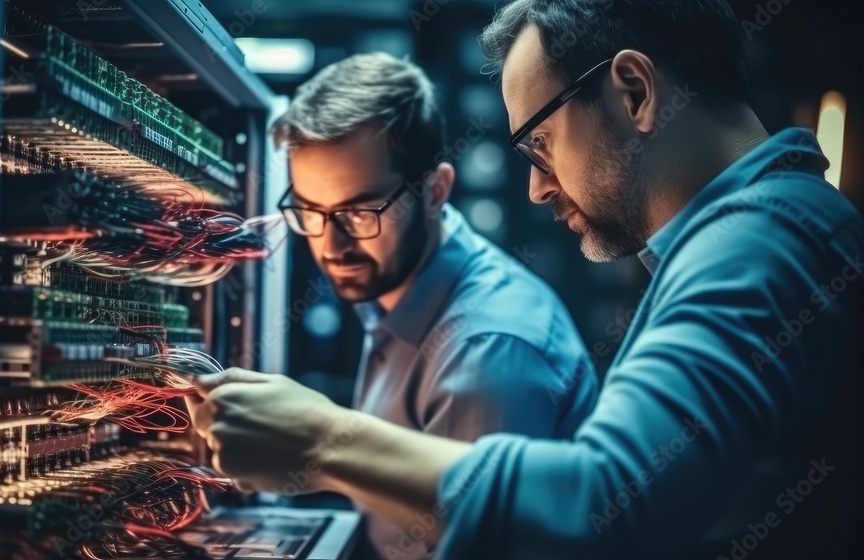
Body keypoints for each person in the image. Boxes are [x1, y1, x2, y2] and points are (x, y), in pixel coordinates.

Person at [187, 2, 863, 559]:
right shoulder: (759, 234)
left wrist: (322, 440)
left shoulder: (756, 243)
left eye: (539, 142)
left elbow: (604, 508)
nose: (536, 188)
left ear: (634, 92)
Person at [213, 52, 598, 559]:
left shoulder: (486, 351)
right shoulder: (397, 288)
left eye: (359, 211)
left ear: (435, 191)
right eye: (309, 211)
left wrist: (319, 447)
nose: (332, 245)